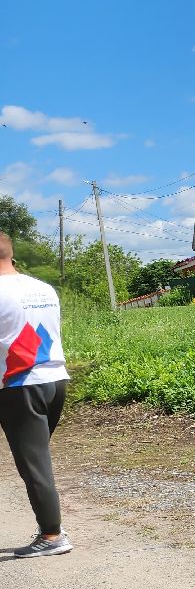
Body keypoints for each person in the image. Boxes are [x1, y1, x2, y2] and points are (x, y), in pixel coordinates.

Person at [0, 231, 72, 558]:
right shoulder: (43, 288)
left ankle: (52, 535)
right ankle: (51, 529)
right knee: (36, 458)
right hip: (55, 380)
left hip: (20, 386)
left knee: (34, 465)